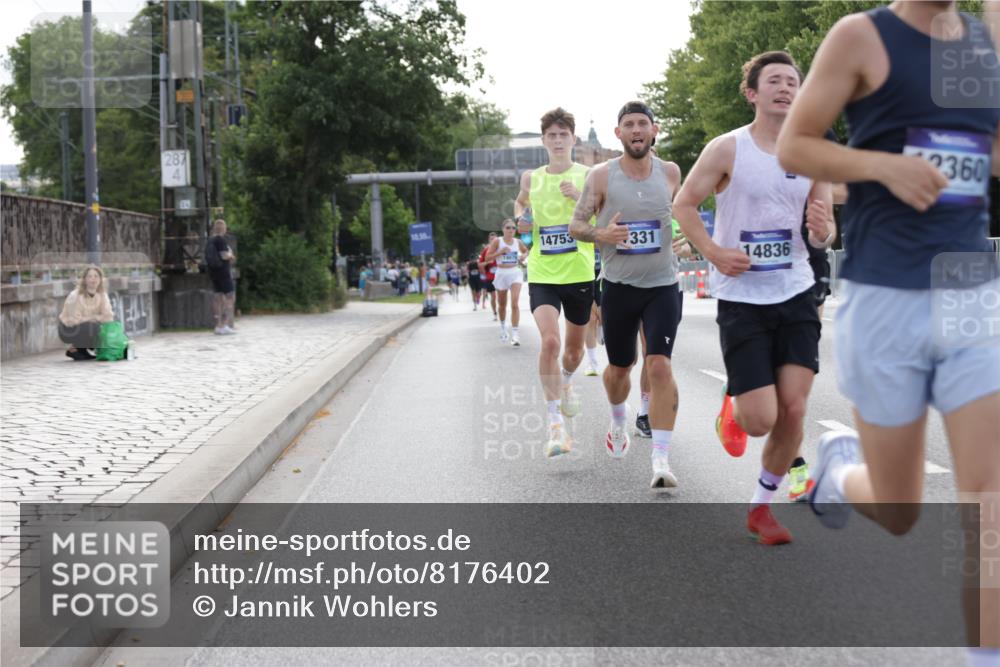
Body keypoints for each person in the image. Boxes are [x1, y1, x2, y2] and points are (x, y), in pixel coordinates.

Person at [777, 2, 1000, 660]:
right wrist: (883, 165)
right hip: (884, 299)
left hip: (972, 295)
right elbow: (795, 144)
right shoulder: (861, 37)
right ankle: (837, 476)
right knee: (901, 511)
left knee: (989, 503)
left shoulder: (985, 42)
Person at [674, 51, 835, 543]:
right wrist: (714, 252)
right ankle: (736, 405)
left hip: (796, 292)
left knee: (794, 409)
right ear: (752, 93)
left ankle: (761, 507)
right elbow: (684, 204)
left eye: (793, 82)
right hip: (742, 299)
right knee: (761, 419)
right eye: (775, 81)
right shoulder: (727, 149)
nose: (786, 88)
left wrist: (823, 231)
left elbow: (825, 230)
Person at [569, 101, 682, 490]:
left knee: (660, 365)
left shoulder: (670, 172)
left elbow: (680, 213)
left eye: (642, 124)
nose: (636, 130)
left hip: (663, 285)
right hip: (619, 287)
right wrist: (603, 234)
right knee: (621, 368)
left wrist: (685, 240)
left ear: (654, 130)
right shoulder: (601, 175)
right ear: (618, 133)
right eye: (629, 125)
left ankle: (660, 459)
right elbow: (576, 225)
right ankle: (618, 418)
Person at [514, 107, 595, 457]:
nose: (558, 140)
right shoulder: (531, 178)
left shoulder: (589, 175)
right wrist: (523, 221)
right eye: (552, 135)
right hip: (542, 271)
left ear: (573, 139)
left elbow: (606, 217)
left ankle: (566, 381)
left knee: (574, 353)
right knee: (549, 341)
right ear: (543, 140)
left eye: (564, 134)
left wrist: (580, 199)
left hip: (579, 272)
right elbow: (520, 205)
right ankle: (555, 427)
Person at [484, 220, 529, 346]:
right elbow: (487, 258)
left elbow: (526, 251)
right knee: (502, 305)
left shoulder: (518, 242)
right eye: (508, 227)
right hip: (501, 273)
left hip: (515, 272)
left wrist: (523, 256)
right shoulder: (497, 241)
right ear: (503, 229)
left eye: (513, 228)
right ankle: (503, 327)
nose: (511, 230)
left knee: (514, 303)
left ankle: (515, 334)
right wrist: (500, 252)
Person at [58, 265, 115, 360]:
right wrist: (95, 318)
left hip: (86, 327)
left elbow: (109, 318)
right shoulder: (75, 296)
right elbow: (74, 321)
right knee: (93, 327)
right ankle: (74, 349)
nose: (93, 279)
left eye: (96, 276)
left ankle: (83, 351)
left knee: (109, 329)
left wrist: (93, 318)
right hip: (68, 329)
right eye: (90, 276)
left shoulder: (102, 295)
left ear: (100, 279)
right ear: (84, 280)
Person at [206, 219, 237, 335]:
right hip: (223, 272)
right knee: (230, 297)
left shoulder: (210, 240)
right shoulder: (221, 240)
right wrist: (231, 256)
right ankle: (224, 325)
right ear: (224, 229)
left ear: (215, 228)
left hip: (213, 272)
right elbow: (224, 256)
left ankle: (217, 326)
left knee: (218, 298)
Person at [583, 246, 603, 377]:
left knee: (603, 316)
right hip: (584, 274)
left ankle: (602, 326)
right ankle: (593, 363)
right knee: (590, 319)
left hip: (605, 275)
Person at [478, 233, 499, 319]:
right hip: (490, 278)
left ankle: (501, 311)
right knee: (493, 297)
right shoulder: (486, 251)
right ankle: (495, 313)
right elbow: (480, 265)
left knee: (501, 297)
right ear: (489, 240)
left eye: (495, 239)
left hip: (501, 277)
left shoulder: (501, 249)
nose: (493, 241)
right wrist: (487, 262)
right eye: (491, 239)